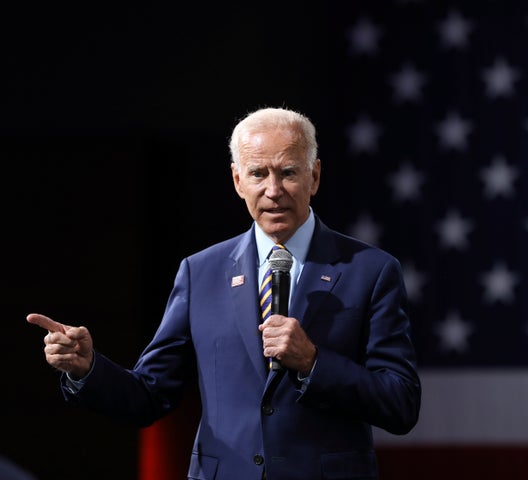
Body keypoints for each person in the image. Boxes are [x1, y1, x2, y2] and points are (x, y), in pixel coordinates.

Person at [28, 107, 421, 480]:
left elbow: (401, 403)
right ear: (237, 180)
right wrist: (87, 368)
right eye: (257, 173)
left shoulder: (370, 270)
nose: (273, 190)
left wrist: (314, 362)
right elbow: (150, 394)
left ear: (314, 176)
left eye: (288, 172)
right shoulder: (201, 273)